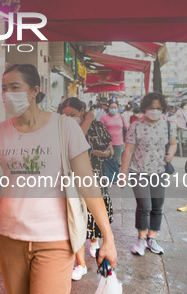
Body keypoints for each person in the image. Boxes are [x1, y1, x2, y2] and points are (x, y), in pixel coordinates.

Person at [0, 64, 117, 294]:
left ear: (33, 91)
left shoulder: (65, 127)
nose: (7, 94)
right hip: (9, 236)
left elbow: (88, 184)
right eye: (4, 88)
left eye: (14, 87)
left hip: (55, 239)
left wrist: (107, 237)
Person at [61, 98, 114, 281]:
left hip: (96, 175)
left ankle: (94, 240)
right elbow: (74, 143)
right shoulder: (64, 129)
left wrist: (105, 153)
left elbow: (111, 149)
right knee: (77, 218)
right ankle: (80, 263)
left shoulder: (98, 127)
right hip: (74, 179)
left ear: (82, 110)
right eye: (65, 115)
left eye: (72, 115)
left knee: (95, 214)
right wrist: (87, 121)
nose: (68, 118)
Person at [120, 92, 177, 255]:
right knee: (145, 206)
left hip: (159, 172)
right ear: (145, 107)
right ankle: (140, 240)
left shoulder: (167, 125)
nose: (155, 110)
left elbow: (173, 143)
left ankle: (151, 240)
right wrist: (123, 174)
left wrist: (171, 154)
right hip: (138, 172)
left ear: (163, 109)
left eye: (158, 108)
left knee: (157, 207)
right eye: (151, 107)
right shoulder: (136, 126)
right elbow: (128, 151)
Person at [100, 101, 128, 171]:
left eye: (115, 107)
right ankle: (109, 176)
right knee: (107, 160)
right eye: (111, 107)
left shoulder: (121, 117)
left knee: (117, 161)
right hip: (107, 143)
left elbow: (126, 127)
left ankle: (116, 177)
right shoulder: (104, 117)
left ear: (117, 108)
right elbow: (100, 129)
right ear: (108, 108)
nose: (113, 109)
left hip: (119, 142)